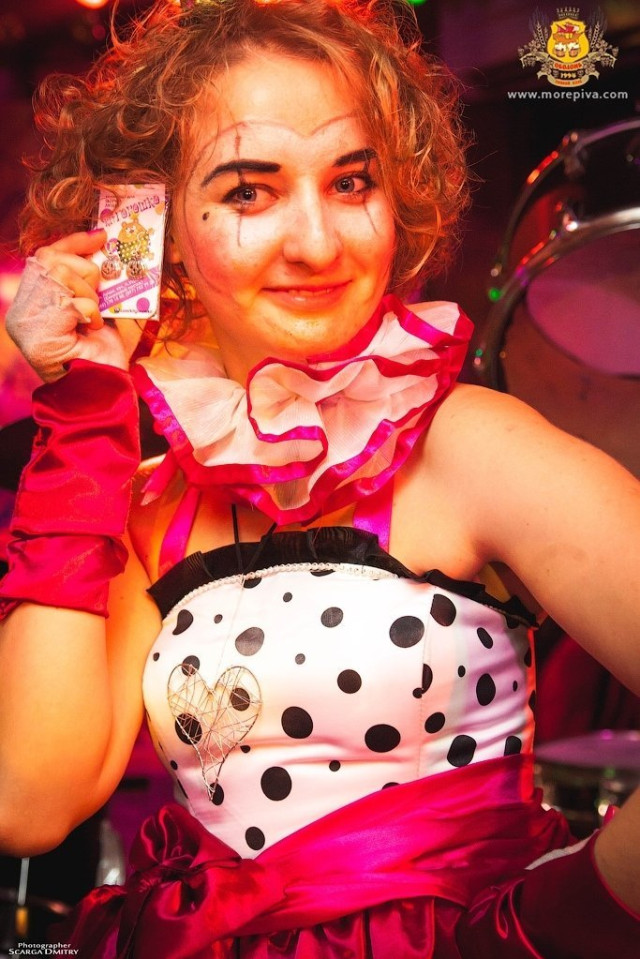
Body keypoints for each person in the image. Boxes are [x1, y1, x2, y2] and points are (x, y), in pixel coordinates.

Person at [0, 0, 639, 956]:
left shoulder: (469, 446)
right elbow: (28, 800)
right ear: (153, 228)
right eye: (249, 192)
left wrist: (551, 925)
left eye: (351, 182)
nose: (318, 243)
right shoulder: (152, 507)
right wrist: (87, 405)